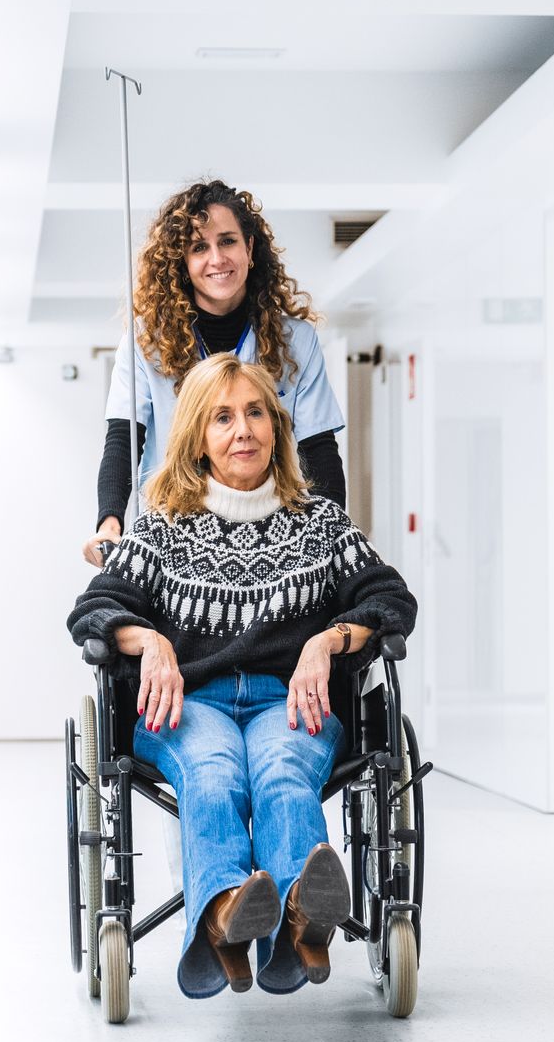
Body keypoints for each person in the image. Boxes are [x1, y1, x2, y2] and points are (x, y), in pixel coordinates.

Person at [68, 354, 417, 998]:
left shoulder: (320, 525)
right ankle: (227, 914)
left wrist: (328, 639)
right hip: (189, 706)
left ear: (277, 427)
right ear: (198, 435)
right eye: (223, 417)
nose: (243, 430)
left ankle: (300, 921)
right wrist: (148, 641)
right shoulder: (164, 529)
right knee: (213, 770)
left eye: (255, 412)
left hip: (287, 702)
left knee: (284, 770)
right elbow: (92, 610)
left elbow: (391, 599)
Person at [82, 179, 348, 567]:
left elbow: (318, 448)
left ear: (250, 248)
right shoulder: (145, 341)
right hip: (174, 529)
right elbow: (124, 437)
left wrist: (333, 536)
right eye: (198, 247)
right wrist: (110, 524)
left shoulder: (296, 342)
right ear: (182, 263)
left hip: (267, 531)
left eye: (227, 241)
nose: (217, 259)